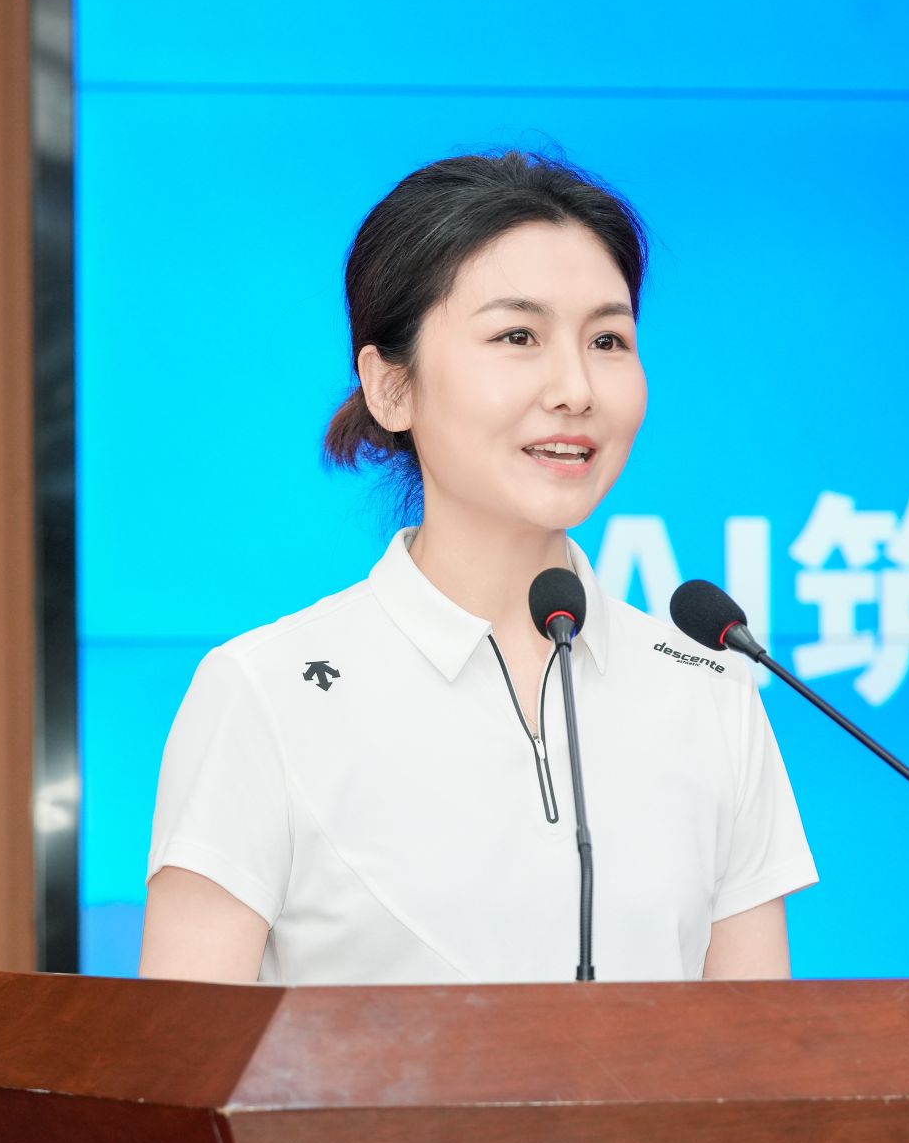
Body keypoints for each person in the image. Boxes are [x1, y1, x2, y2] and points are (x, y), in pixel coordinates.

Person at [137, 149, 817, 985]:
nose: (576, 389)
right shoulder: (265, 694)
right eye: (517, 336)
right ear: (391, 388)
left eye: (608, 339)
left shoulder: (706, 689)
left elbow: (754, 1050)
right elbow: (186, 1054)